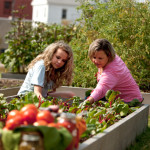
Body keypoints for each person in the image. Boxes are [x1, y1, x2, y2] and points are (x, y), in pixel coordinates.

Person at [83, 38, 143, 104]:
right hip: (116, 97)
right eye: (94, 57)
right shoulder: (107, 60)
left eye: (100, 58)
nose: (96, 61)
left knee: (90, 100)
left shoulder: (113, 70)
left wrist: (85, 103)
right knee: (90, 97)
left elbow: (101, 89)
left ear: (109, 55)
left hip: (129, 101)